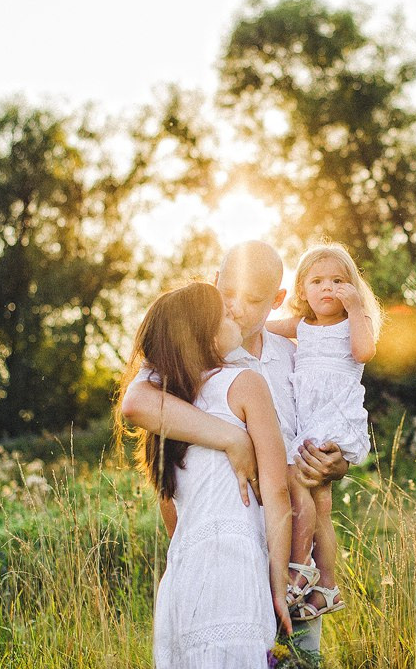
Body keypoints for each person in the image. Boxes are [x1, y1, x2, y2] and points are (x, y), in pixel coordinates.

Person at [118, 241, 350, 648]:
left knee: (298, 655)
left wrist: (337, 463)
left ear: (277, 300)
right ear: (214, 283)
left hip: (292, 549)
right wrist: (232, 438)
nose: (238, 307)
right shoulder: (191, 356)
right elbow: (136, 402)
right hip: (222, 542)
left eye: (253, 299)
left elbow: (327, 427)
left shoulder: (297, 359)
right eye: (228, 295)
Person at [121, 282, 292, 667]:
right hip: (234, 568)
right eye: (226, 315)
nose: (236, 316)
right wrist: (278, 582)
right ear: (206, 334)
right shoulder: (246, 384)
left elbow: (170, 512)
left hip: (183, 576)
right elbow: (276, 492)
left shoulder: (170, 410)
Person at [266, 244, 380, 621]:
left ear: (352, 287)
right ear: (302, 291)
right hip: (310, 421)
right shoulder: (301, 326)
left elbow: (364, 352)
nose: (327, 288)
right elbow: (260, 325)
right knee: (324, 508)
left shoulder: (353, 323)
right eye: (317, 281)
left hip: (334, 418)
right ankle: (328, 585)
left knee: (298, 479)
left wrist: (356, 307)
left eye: (338, 281)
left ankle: (300, 565)